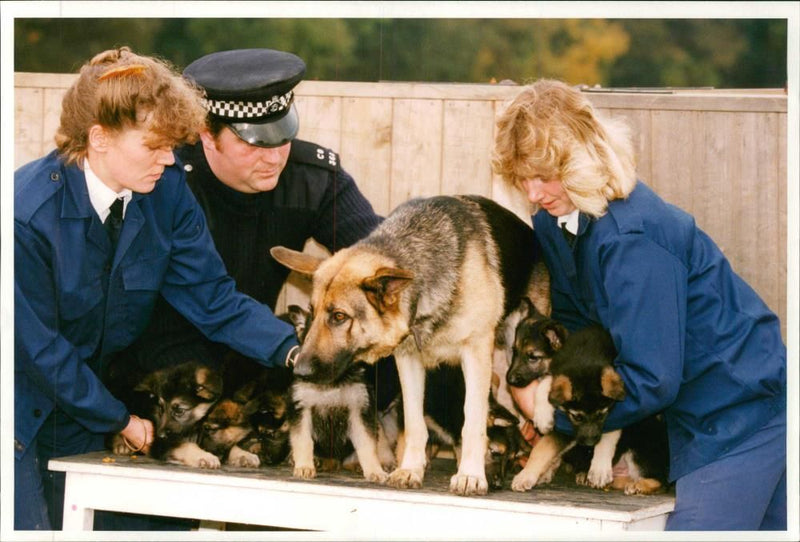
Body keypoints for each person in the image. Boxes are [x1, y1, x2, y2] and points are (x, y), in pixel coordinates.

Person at [14, 47, 299, 531]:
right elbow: (40, 352)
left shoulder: (166, 192)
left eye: (172, 145)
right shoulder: (25, 215)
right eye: (154, 146)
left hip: (93, 408)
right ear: (98, 139)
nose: (169, 159)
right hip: (21, 414)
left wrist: (296, 351)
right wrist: (119, 419)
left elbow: (213, 299)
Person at [492, 79, 786, 531]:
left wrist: (549, 413)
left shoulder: (634, 239)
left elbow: (652, 378)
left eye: (544, 175)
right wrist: (546, 388)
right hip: (694, 411)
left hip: (740, 409)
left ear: (584, 159)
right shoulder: (556, 218)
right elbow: (577, 332)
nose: (533, 193)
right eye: (522, 178)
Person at [116, 48, 385, 383]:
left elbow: (382, 256)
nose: (274, 157)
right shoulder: (164, 180)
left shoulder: (313, 178)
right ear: (207, 135)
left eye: (283, 137)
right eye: (255, 143)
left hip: (258, 343)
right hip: (169, 355)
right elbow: (210, 303)